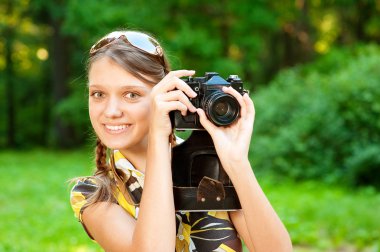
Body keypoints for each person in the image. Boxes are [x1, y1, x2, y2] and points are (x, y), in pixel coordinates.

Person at [70, 29, 292, 252]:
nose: (111, 111)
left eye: (131, 95)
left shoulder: (208, 168)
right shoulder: (93, 194)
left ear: (166, 95)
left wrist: (236, 162)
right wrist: (158, 138)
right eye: (98, 94)